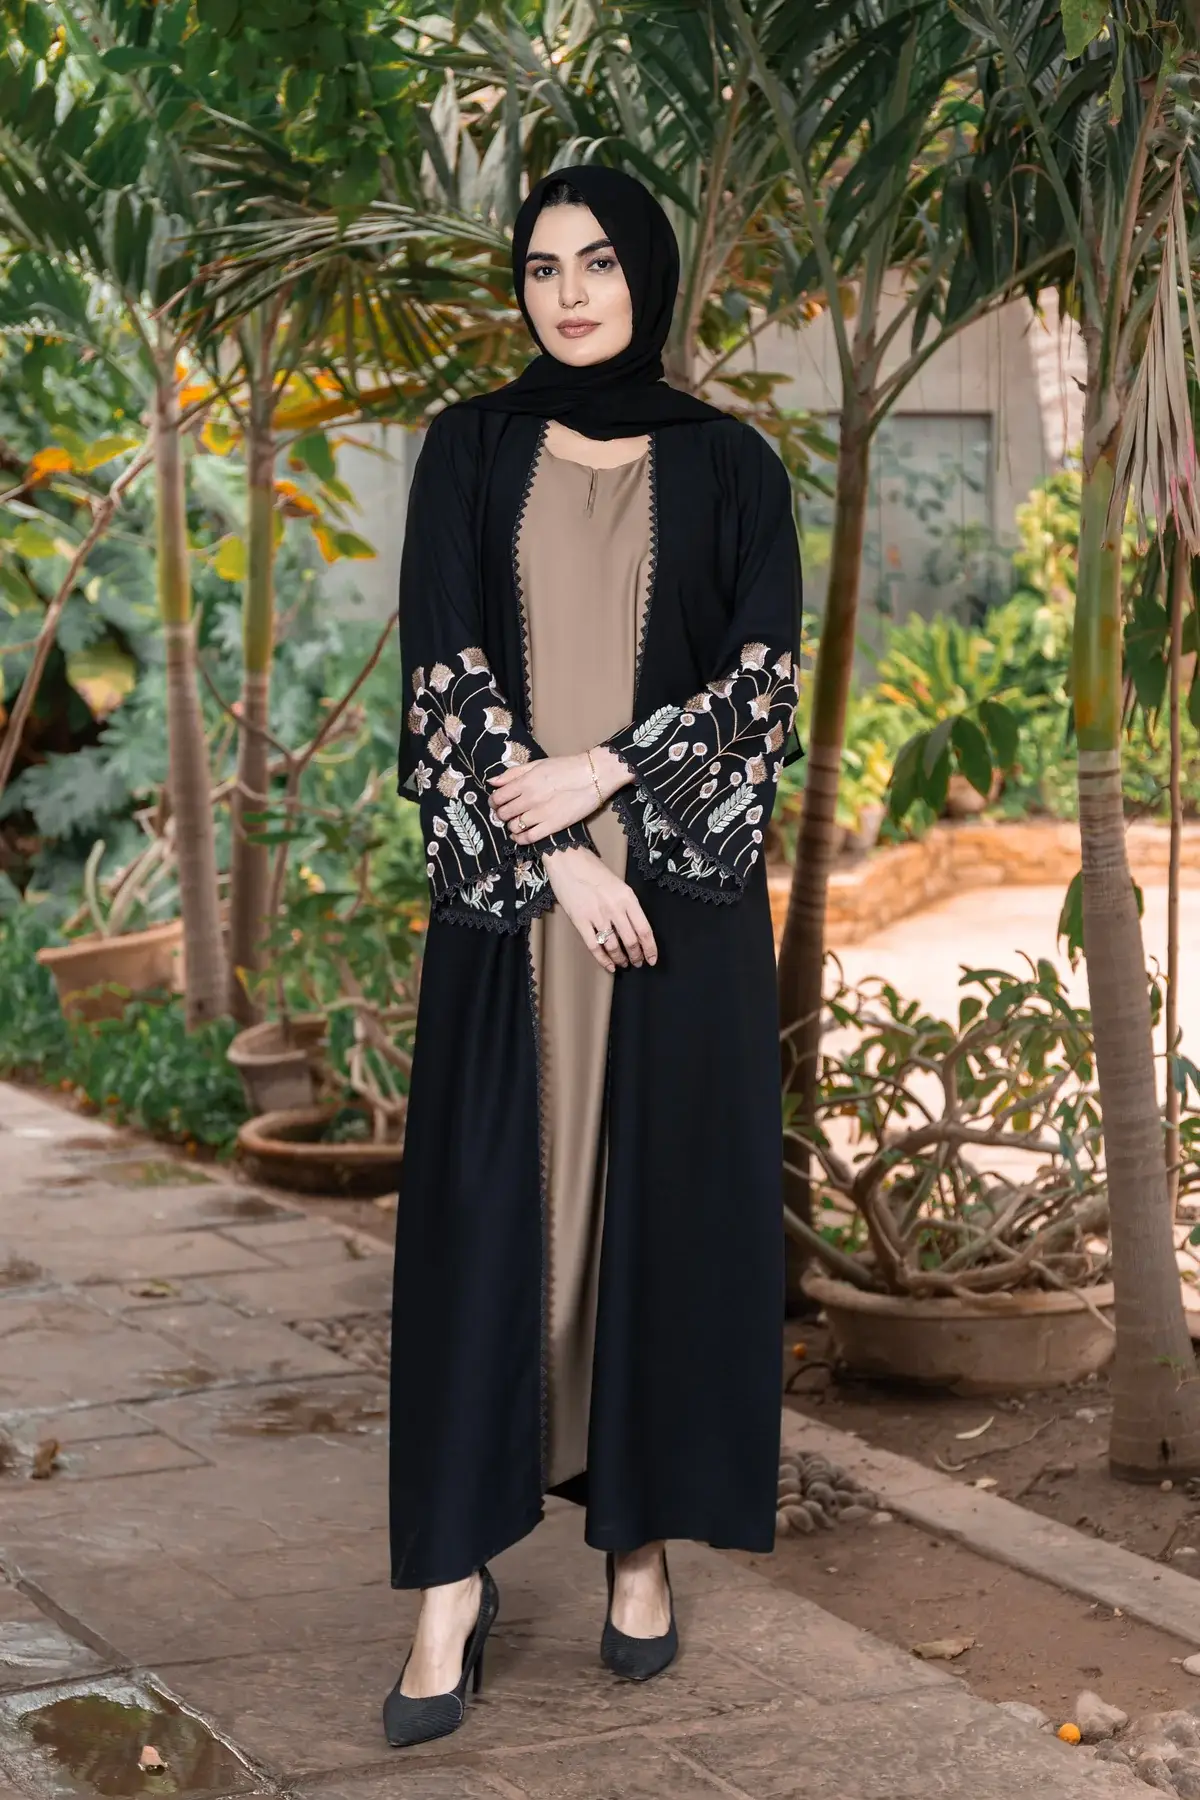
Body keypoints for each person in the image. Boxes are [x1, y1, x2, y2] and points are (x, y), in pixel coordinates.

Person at [384, 162, 803, 1749]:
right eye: (544, 266)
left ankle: (637, 1542)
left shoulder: (732, 465)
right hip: (520, 915)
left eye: (601, 262)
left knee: (661, 1226)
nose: (569, 293)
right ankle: (449, 1583)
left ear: (651, 276)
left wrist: (609, 770)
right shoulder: (469, 449)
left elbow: (760, 686)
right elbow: (443, 669)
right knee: (485, 1226)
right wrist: (554, 849)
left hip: (675, 917)